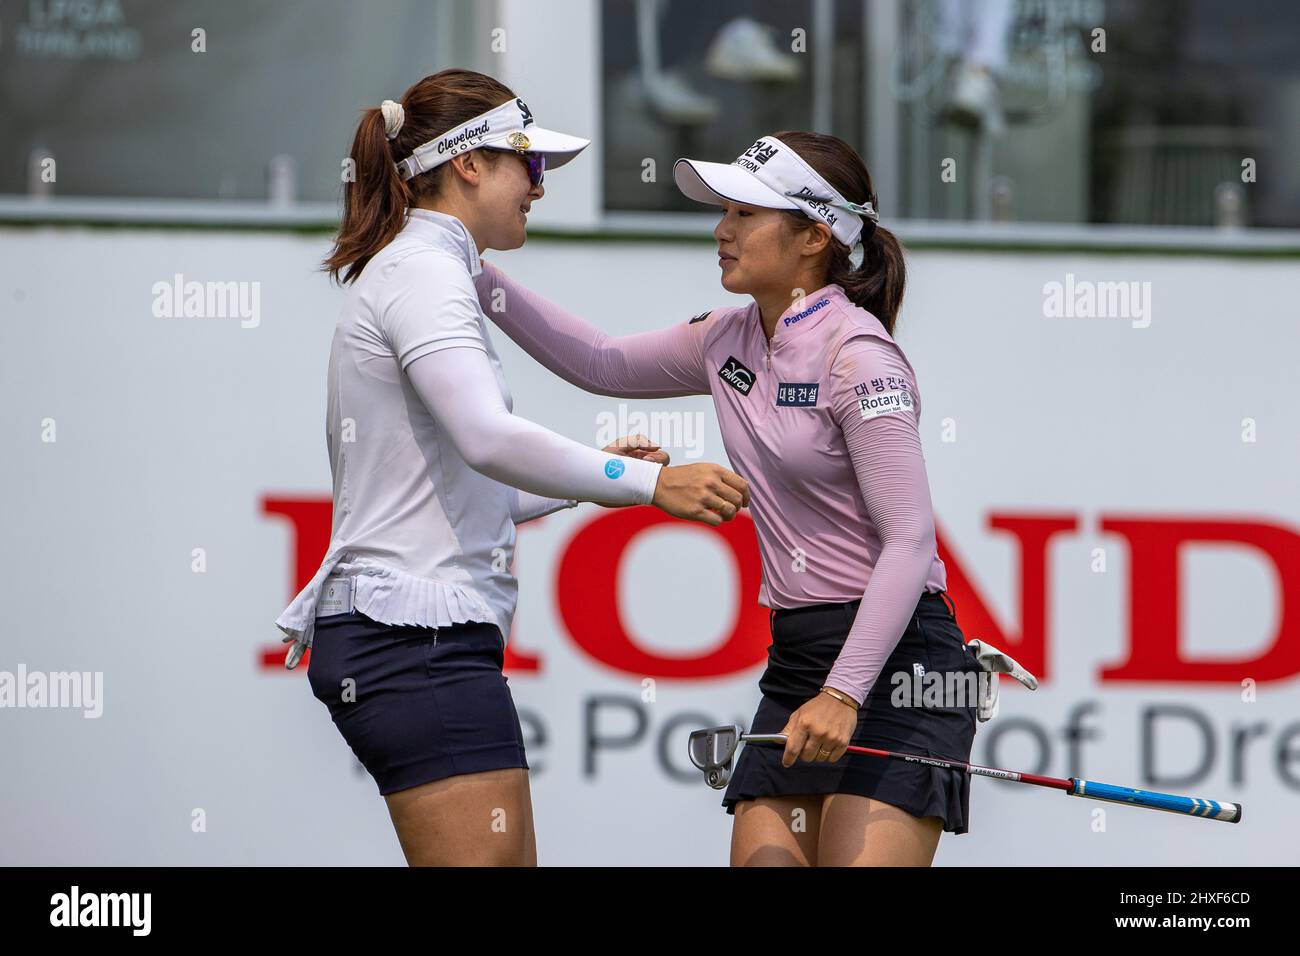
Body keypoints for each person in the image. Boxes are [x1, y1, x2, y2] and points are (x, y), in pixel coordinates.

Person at [275, 68, 749, 867]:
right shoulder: (425, 272)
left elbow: (463, 481)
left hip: (419, 639)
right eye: (527, 166)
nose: (538, 187)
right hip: (412, 639)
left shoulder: (429, 266)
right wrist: (649, 483)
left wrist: (596, 479)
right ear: (467, 163)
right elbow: (487, 437)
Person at [473, 131, 982, 866]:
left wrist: (844, 694)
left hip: (901, 663)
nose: (721, 230)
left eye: (745, 214)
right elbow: (599, 361)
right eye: (725, 212)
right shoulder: (728, 338)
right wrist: (467, 266)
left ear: (814, 235)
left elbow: (910, 543)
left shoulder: (859, 356)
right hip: (801, 658)